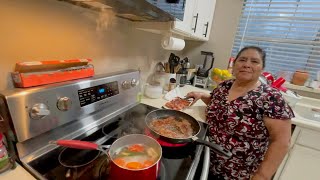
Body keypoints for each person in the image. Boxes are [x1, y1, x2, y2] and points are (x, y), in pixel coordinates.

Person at [186, 46, 294, 180]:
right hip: (206, 160)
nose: (247, 65)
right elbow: (219, 104)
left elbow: (282, 142)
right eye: (242, 59)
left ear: (262, 68)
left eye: (254, 61)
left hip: (238, 173)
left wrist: (262, 176)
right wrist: (201, 95)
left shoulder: (271, 98)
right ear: (235, 64)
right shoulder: (225, 86)